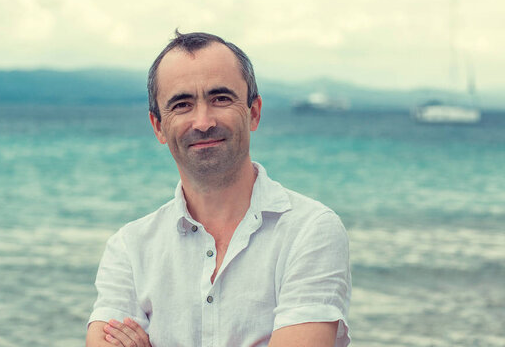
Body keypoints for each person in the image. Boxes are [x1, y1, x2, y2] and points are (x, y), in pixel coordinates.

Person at [86, 31, 351, 347]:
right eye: (182, 104)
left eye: (220, 99)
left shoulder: (310, 230)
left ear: (254, 112)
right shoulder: (129, 249)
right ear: (158, 126)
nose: (203, 121)